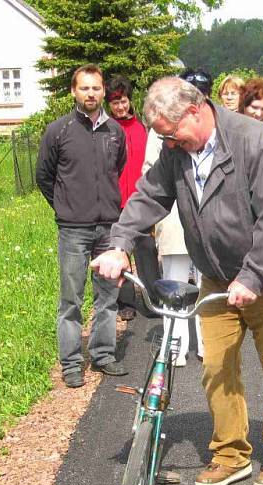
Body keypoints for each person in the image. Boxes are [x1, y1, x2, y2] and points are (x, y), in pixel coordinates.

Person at [91, 77, 263, 485]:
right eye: (162, 137)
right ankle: (230, 453)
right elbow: (149, 196)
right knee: (215, 367)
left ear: (195, 110)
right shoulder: (176, 152)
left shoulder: (253, 140)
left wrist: (254, 274)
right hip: (215, 272)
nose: (169, 143)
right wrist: (119, 244)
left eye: (172, 134)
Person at [35, 64, 129, 388]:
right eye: (84, 88)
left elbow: (118, 167)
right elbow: (44, 177)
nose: (91, 93)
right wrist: (64, 207)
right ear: (73, 92)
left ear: (103, 92)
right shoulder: (58, 131)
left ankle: (103, 356)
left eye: (96, 88)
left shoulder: (114, 132)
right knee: (71, 300)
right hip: (73, 230)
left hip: (108, 228)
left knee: (107, 298)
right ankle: (72, 363)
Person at [147, 69, 214, 366]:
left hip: (208, 226)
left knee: (206, 286)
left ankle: (207, 344)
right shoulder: (160, 128)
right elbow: (152, 175)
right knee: (174, 284)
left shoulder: (215, 127)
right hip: (174, 216)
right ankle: (174, 346)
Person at [106, 75, 148, 322]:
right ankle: (126, 301)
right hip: (115, 200)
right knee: (121, 251)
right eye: (114, 103)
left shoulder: (142, 128)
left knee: (146, 250)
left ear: (129, 100)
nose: (120, 107)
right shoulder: (108, 130)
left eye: (122, 101)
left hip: (141, 199)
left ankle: (152, 297)